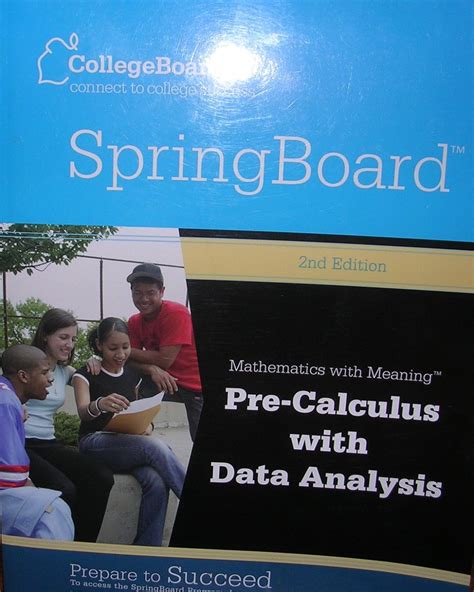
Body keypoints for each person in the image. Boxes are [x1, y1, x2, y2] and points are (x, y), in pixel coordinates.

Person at [72, 317, 185, 547]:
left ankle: (147, 549)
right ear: (99, 345)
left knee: (156, 481)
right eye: (113, 348)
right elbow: (83, 412)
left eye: (126, 347)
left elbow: (139, 411)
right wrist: (100, 404)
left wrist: (147, 426)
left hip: (126, 445)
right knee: (156, 447)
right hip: (94, 443)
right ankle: (200, 505)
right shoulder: (86, 373)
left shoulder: (133, 374)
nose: (121, 354)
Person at [24, 309, 114, 542]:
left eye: (73, 339)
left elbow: (89, 379)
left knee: (102, 477)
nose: (70, 345)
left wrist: (94, 361)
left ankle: (82, 548)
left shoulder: (65, 372)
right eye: (63, 337)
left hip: (48, 443)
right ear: (45, 335)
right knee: (65, 489)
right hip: (22, 443)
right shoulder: (26, 364)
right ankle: (59, 547)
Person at [0, 344, 74, 541]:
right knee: (52, 511)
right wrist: (37, 497)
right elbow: (9, 476)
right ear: (23, 376)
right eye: (44, 372)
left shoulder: (8, 398)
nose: (51, 378)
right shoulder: (6, 402)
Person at [126, 263, 203, 441]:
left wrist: (128, 350)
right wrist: (151, 369)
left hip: (193, 384)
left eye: (150, 293)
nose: (144, 299)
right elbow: (127, 360)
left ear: (162, 292)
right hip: (161, 379)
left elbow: (164, 359)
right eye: (137, 293)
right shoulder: (134, 321)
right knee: (126, 375)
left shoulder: (176, 312)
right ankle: (138, 427)